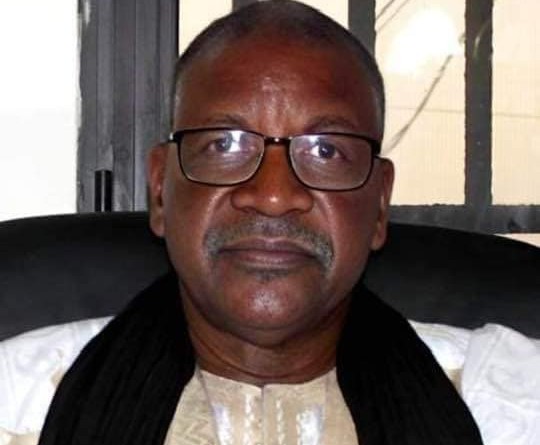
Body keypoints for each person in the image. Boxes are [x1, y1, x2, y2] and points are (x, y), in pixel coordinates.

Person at [2, 1, 520, 444]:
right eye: (224, 144)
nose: (273, 195)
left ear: (380, 205)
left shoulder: (513, 400)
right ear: (160, 191)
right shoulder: (18, 401)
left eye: (326, 150)